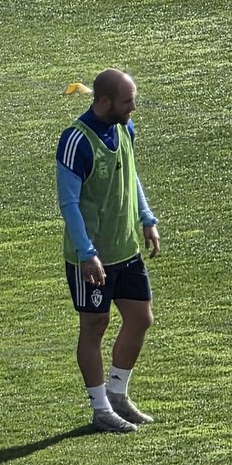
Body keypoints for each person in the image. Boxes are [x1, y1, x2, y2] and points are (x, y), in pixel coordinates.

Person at [56, 69, 161, 433]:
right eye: (127, 101)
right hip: (92, 257)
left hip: (124, 248)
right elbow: (68, 203)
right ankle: (100, 409)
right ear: (104, 102)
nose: (133, 107)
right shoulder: (76, 141)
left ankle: (117, 395)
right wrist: (86, 253)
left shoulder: (123, 128)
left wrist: (146, 216)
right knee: (95, 325)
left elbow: (129, 173)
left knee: (140, 318)